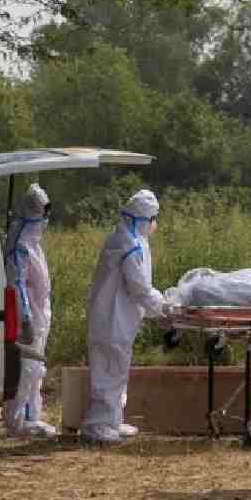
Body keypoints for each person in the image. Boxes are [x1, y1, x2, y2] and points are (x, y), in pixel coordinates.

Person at [81, 190, 167, 444]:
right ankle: (97, 425)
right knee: (109, 370)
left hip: (117, 318)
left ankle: (112, 420)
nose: (154, 225)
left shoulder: (127, 239)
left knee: (117, 369)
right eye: (152, 219)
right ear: (143, 219)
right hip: (111, 319)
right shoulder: (127, 244)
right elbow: (138, 287)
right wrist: (164, 306)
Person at [4, 183, 57, 438]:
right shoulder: (21, 242)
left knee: (36, 368)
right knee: (27, 367)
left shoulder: (31, 238)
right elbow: (17, 283)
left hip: (38, 312)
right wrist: (25, 319)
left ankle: (32, 416)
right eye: (44, 212)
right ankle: (18, 421)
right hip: (29, 316)